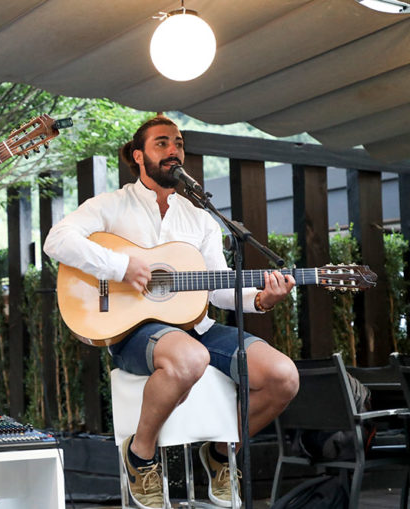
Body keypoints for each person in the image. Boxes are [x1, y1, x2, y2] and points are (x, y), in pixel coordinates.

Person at [43, 115, 299, 508]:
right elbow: (56, 240)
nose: (173, 150)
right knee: (189, 358)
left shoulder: (199, 218)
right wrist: (120, 267)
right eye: (161, 143)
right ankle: (140, 455)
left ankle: (221, 453)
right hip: (134, 332)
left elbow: (218, 288)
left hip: (198, 329)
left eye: (178, 143)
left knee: (284, 377)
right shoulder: (110, 206)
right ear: (138, 155)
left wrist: (261, 299)